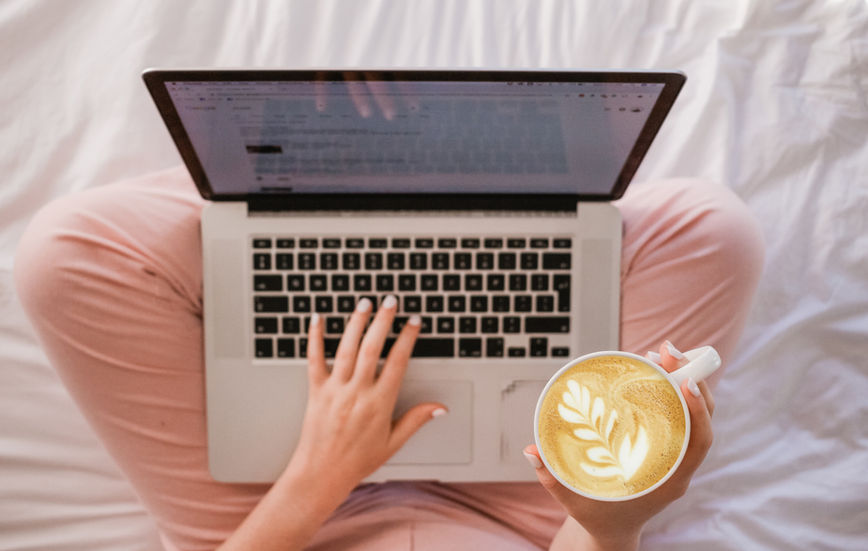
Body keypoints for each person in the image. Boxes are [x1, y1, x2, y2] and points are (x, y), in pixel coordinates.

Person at [13, 166, 764, 550]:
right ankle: (464, 182)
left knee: (66, 254)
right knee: (713, 230)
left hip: (278, 519)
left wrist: (317, 476)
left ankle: (308, 178)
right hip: (533, 526)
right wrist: (610, 524)